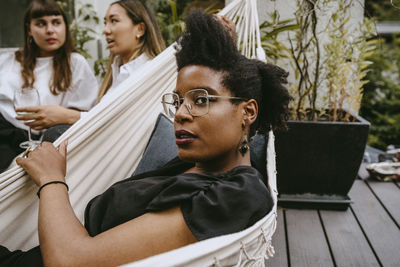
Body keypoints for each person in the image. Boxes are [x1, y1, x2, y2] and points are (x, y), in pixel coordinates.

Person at [0, 10, 290, 266]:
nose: (181, 114)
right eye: (177, 101)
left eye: (201, 100)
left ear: (248, 112)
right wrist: (221, 47)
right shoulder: (197, 165)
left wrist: (52, 180)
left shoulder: (236, 194)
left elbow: (70, 261)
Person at [42, 0, 166, 143]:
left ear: (140, 29)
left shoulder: (147, 73)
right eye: (105, 22)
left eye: (114, 21)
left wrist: (69, 116)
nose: (106, 30)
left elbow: (122, 125)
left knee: (55, 134)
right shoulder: (117, 71)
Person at [0, 0, 98, 172]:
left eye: (56, 22)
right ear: (29, 29)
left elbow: (86, 114)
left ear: (65, 27)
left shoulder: (75, 63)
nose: (50, 30)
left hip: (50, 136)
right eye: (41, 24)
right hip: (5, 132)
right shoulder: (9, 60)